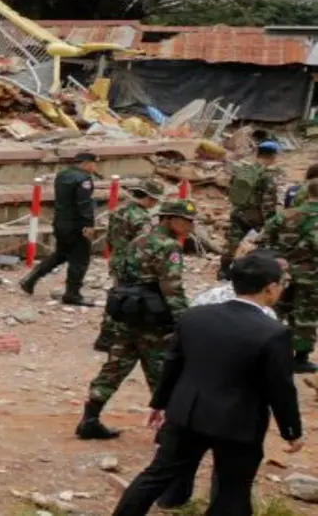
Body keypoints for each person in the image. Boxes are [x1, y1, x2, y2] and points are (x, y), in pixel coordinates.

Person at [109, 251, 303, 516]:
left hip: (187, 411)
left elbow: (173, 364)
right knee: (232, 491)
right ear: (270, 288)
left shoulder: (196, 316)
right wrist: (291, 430)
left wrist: (160, 403)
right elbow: (280, 388)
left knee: (156, 476)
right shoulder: (274, 332)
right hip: (237, 421)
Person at [78, 199, 192, 440]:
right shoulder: (170, 247)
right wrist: (184, 322)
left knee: (114, 368)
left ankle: (89, 418)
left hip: (128, 312)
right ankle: (166, 431)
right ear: (169, 219)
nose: (190, 226)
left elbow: (121, 274)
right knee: (161, 374)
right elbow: (172, 289)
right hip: (154, 320)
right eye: (186, 221)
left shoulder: (138, 240)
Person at [93, 178, 165, 353]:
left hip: (117, 258)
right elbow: (145, 244)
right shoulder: (141, 219)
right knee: (129, 299)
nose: (155, 203)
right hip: (132, 263)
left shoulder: (119, 210)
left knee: (116, 296)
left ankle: (105, 337)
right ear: (149, 198)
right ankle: (123, 338)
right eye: (155, 200)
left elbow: (109, 238)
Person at [22, 152, 100, 305]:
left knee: (61, 254)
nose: (95, 167)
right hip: (76, 224)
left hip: (60, 222)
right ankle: (72, 294)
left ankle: (31, 279)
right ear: (86, 163)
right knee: (80, 259)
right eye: (94, 164)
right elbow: (84, 204)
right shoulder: (84, 179)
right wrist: (89, 224)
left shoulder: (63, 175)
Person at [260, 177, 318, 374]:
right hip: (311, 275)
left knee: (277, 310)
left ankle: (268, 351)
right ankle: (300, 359)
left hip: (281, 272)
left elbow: (262, 238)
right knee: (306, 314)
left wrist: (276, 257)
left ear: (307, 193)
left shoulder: (285, 215)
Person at [221, 140, 282, 280]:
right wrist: (270, 222)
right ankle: (252, 274)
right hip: (256, 218)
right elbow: (267, 204)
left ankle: (224, 272)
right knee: (259, 245)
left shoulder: (244, 171)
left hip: (238, 213)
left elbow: (231, 192)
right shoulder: (267, 177)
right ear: (273, 156)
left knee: (232, 243)